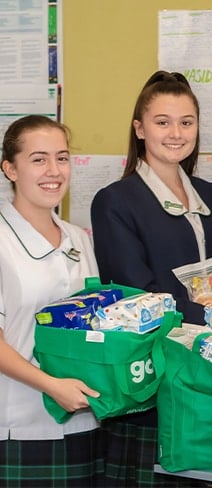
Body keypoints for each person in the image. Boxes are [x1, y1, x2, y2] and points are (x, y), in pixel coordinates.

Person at [91, 70, 212, 486]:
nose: (176, 133)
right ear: (139, 128)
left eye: (187, 122)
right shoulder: (115, 201)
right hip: (154, 378)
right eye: (162, 122)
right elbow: (135, 294)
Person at [0, 115, 103, 485]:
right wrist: (51, 385)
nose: (54, 171)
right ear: (10, 168)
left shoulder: (79, 238)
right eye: (39, 159)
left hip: (82, 420)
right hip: (17, 426)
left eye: (62, 158)